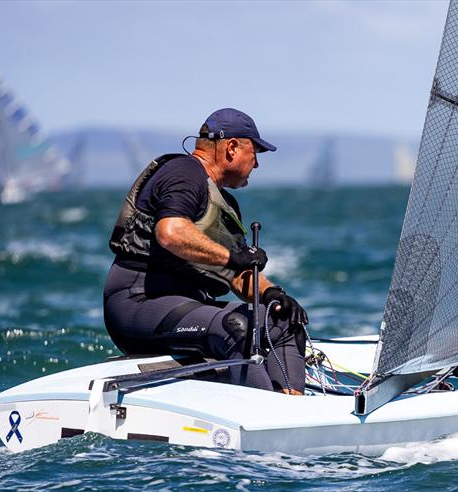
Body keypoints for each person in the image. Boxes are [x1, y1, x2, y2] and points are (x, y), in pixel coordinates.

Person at [103, 108, 308, 394]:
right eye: (256, 152)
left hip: (189, 306)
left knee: (281, 319)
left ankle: (293, 411)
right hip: (138, 303)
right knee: (237, 327)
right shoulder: (184, 173)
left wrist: (273, 294)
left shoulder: (224, 202)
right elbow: (171, 232)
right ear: (232, 147)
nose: (257, 164)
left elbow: (237, 276)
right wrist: (234, 257)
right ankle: (263, 416)